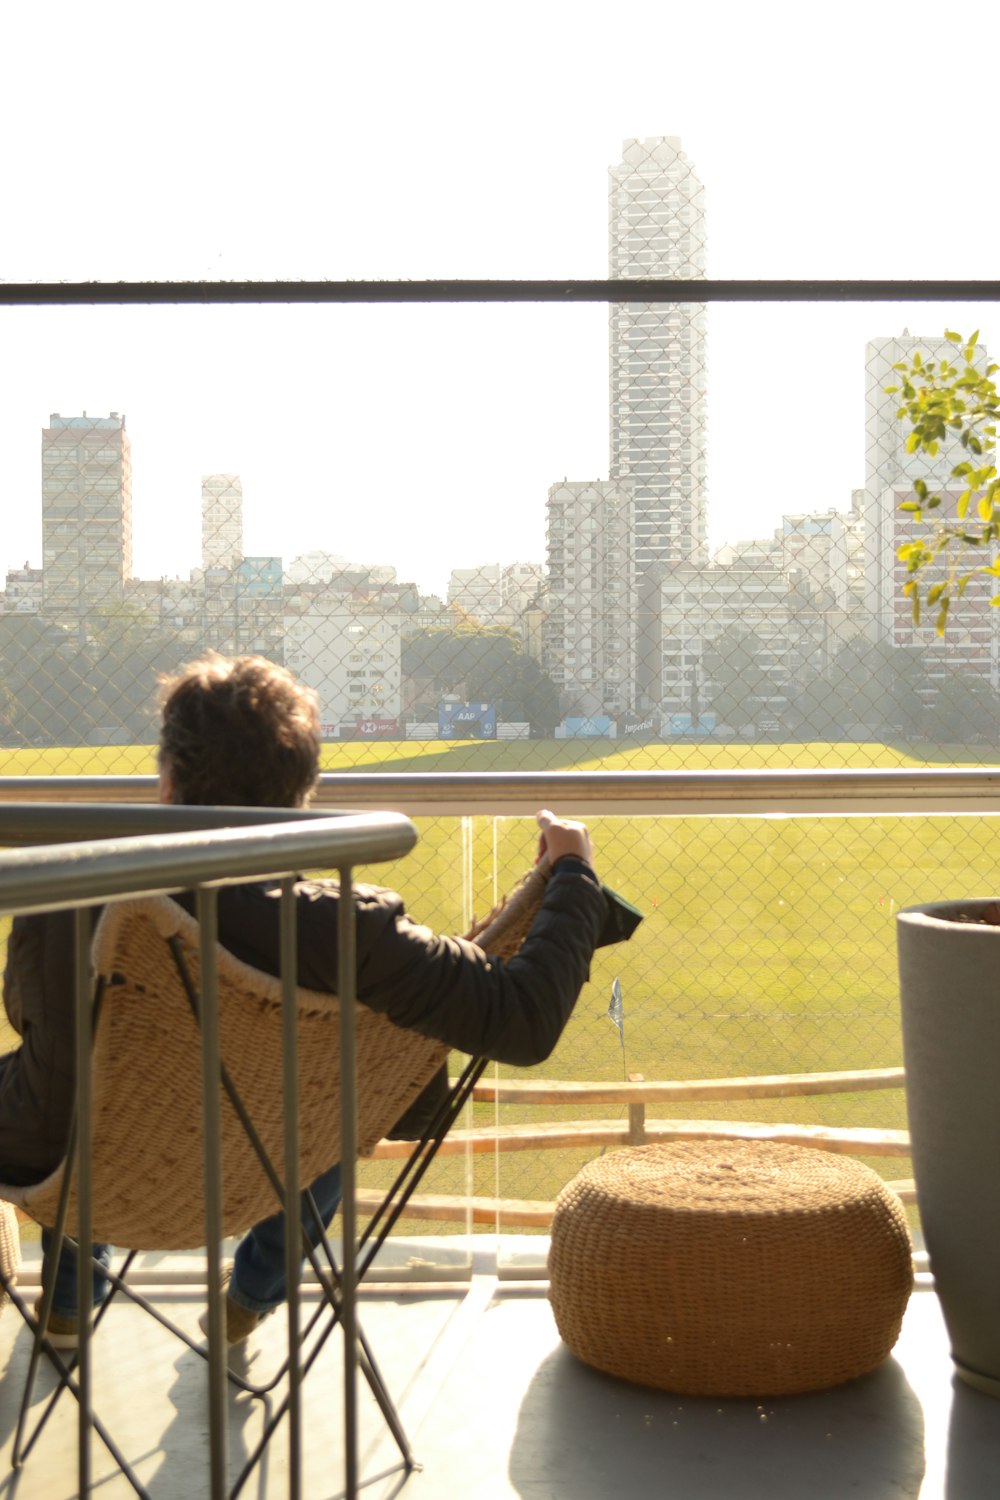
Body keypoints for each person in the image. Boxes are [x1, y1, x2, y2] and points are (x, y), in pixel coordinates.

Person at [1, 653, 608, 1349]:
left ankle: (71, 1301)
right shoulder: (352, 931)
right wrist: (574, 875)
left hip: (71, 1171)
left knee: (87, 1073)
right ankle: (252, 1292)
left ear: (167, 782)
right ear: (302, 795)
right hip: (262, 1172)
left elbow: (25, 1014)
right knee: (335, 1103)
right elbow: (524, 1020)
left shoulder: (72, 895)